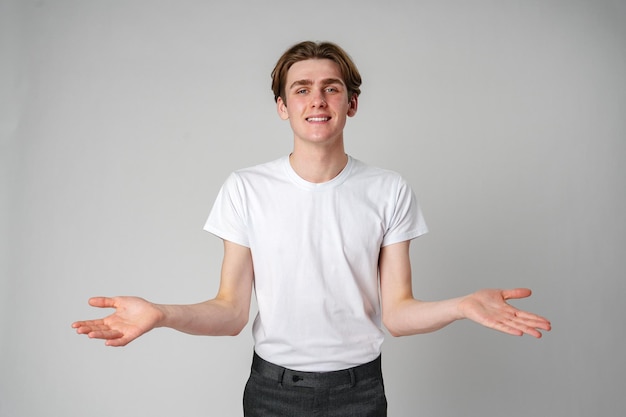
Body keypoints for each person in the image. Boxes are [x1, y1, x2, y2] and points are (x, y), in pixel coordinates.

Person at [72, 41, 551, 416]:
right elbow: (231, 311)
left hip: (360, 392)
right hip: (272, 393)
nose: (317, 100)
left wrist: (463, 306)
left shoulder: (388, 189)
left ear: (351, 103)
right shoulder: (246, 188)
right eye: (301, 88)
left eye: (331, 87)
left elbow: (399, 315)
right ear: (282, 105)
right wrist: (161, 313)